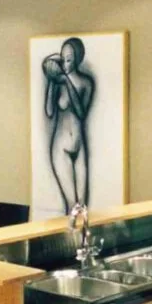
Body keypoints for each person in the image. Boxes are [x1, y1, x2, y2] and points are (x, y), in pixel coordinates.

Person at [43, 37, 95, 213]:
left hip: (80, 147)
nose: (64, 63)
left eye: (68, 59)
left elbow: (81, 113)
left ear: (77, 60)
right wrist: (52, 81)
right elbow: (49, 111)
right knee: (72, 206)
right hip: (61, 147)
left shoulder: (86, 83)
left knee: (83, 207)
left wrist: (66, 81)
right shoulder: (57, 83)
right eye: (62, 58)